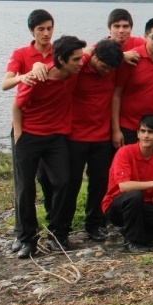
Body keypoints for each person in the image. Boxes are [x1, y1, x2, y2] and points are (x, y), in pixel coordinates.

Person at [11, 35, 85, 258]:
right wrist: (19, 136)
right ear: (61, 60)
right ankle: (27, 239)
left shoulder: (72, 73)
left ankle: (57, 232)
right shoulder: (38, 78)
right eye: (76, 60)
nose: (80, 63)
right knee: (26, 189)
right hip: (29, 135)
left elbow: (94, 51)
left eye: (81, 59)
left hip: (56, 137)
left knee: (63, 182)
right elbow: (16, 106)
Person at [1, 8, 54, 253]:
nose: (46, 33)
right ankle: (24, 236)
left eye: (49, 28)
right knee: (24, 185)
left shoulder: (57, 53)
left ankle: (54, 231)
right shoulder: (21, 54)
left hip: (52, 129)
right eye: (41, 29)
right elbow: (5, 82)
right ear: (32, 31)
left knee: (50, 180)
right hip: (25, 128)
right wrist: (24, 76)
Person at [66, 39, 124, 243]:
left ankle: (94, 224)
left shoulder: (113, 66)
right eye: (104, 67)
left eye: (111, 69)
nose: (107, 71)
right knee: (70, 183)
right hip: (76, 135)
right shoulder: (79, 66)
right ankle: (62, 229)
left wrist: (115, 130)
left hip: (102, 135)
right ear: (95, 57)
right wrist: (87, 52)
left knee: (99, 183)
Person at [102, 115, 153, 253]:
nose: (146, 135)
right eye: (143, 131)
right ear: (138, 134)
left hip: (144, 207)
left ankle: (136, 234)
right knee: (134, 195)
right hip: (117, 206)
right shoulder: (125, 152)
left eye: (151, 132)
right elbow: (123, 186)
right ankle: (134, 242)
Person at [112, 17, 153, 157]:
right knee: (129, 168)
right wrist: (116, 130)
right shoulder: (132, 59)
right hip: (129, 126)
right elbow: (116, 95)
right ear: (145, 37)